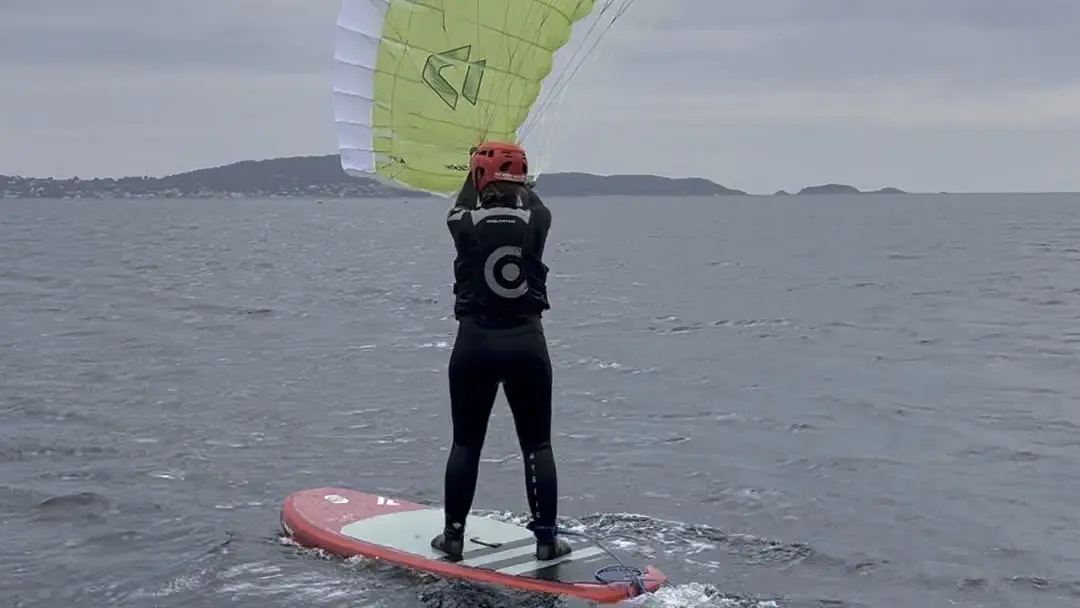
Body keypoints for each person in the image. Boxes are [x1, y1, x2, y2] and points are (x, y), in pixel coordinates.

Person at [430, 141, 572, 563]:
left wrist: (474, 167)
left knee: (465, 444)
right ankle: (546, 540)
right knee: (538, 445)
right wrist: (519, 178)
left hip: (475, 345)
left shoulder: (462, 222)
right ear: (521, 182)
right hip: (527, 344)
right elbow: (534, 201)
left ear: (479, 178)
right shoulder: (539, 220)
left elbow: (462, 202)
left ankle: (453, 537)